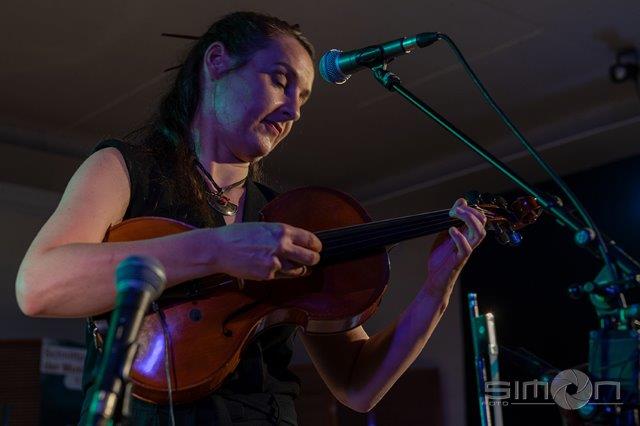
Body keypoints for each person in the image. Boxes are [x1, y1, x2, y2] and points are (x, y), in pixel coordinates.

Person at [15, 11, 487, 425]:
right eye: (280, 80)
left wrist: (434, 291)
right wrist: (217, 248)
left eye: (303, 99)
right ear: (217, 61)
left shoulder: (293, 219)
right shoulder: (125, 168)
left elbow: (358, 385)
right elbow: (39, 286)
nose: (292, 110)